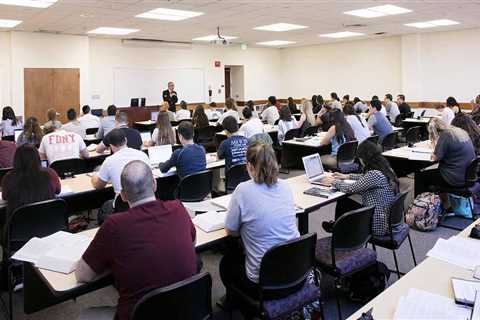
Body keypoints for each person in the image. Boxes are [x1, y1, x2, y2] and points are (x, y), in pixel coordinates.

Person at [76, 160, 197, 320]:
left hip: (138, 315)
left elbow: (83, 275)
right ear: (154, 184)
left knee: (85, 316)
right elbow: (192, 242)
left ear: (123, 195)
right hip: (186, 310)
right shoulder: (178, 208)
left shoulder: (113, 225)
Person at [220, 142, 299, 309]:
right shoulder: (286, 187)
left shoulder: (242, 190)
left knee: (227, 263)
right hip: (297, 275)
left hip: (264, 286)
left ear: (249, 165)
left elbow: (231, 230)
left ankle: (241, 306)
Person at [321, 141, 398, 236]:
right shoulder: (386, 169)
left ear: (364, 158)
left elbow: (350, 188)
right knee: (345, 203)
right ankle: (337, 227)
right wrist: (347, 176)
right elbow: (365, 177)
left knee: (343, 202)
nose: (360, 161)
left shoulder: (374, 175)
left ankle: (338, 230)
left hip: (378, 224)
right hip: (387, 219)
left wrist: (332, 182)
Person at [91, 129, 150, 224]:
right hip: (145, 204)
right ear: (126, 141)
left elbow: (98, 186)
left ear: (111, 146)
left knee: (105, 207)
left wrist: (94, 176)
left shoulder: (109, 161)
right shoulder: (142, 155)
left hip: (123, 208)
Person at [415, 118, 476, 210]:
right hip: (467, 176)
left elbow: (435, 157)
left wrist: (435, 147)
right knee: (434, 173)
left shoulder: (446, 135)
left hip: (454, 178)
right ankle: (444, 204)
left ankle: (420, 208)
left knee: (420, 176)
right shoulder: (458, 131)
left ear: (435, 131)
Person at [2, 144, 60, 217]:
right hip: (49, 222)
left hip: (19, 225)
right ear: (38, 157)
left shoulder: (8, 178)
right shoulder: (50, 173)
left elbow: (4, 196)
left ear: (16, 159)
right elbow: (58, 190)